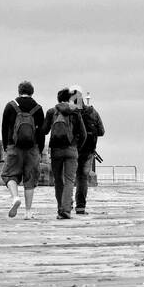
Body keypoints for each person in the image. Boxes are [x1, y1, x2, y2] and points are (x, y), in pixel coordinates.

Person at [0, 81, 45, 220]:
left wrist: (6, 146)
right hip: (32, 149)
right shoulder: (38, 108)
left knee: (9, 175)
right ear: (32, 92)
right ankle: (28, 212)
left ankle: (15, 198)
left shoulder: (10, 106)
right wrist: (40, 150)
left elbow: (4, 128)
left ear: (19, 91)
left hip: (14, 147)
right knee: (30, 179)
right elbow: (41, 132)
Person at [41, 88, 87, 220]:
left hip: (56, 151)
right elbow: (83, 134)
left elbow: (44, 131)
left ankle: (60, 208)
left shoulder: (51, 112)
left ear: (58, 99)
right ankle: (66, 211)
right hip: (71, 149)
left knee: (58, 181)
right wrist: (77, 147)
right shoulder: (75, 112)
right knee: (69, 181)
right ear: (69, 99)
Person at [69, 87, 105, 216]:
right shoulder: (92, 112)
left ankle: (67, 205)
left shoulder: (71, 112)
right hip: (88, 151)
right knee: (82, 179)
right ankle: (80, 208)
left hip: (73, 150)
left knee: (68, 178)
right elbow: (101, 131)